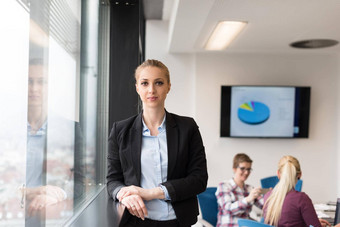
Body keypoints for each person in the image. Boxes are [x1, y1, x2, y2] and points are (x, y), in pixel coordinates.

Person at [106, 59, 208, 227]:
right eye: (145, 83)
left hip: (178, 221)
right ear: (137, 88)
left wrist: (150, 193)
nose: (151, 90)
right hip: (135, 221)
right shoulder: (120, 130)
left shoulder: (187, 127)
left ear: (168, 86)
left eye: (158, 83)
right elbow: (112, 180)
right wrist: (124, 194)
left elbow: (199, 179)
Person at [263, 155, 331, 227]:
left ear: (278, 174)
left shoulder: (268, 196)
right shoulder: (301, 198)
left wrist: (312, 222)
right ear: (299, 175)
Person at [215, 153, 263, 226]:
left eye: (249, 169)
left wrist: (271, 196)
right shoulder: (224, 186)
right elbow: (228, 209)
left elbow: (265, 206)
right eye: (242, 168)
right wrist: (247, 199)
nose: (246, 172)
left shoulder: (250, 188)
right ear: (234, 168)